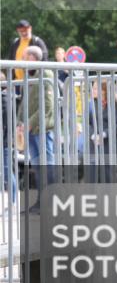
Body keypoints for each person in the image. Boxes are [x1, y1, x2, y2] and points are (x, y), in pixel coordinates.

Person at [16, 45, 57, 213]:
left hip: (41, 128)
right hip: (30, 129)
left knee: (47, 165)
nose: (22, 59)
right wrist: (19, 122)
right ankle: (41, 202)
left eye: (25, 56)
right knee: (38, 167)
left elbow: (47, 106)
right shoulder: (29, 75)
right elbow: (24, 103)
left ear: (33, 58)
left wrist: (29, 123)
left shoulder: (45, 74)